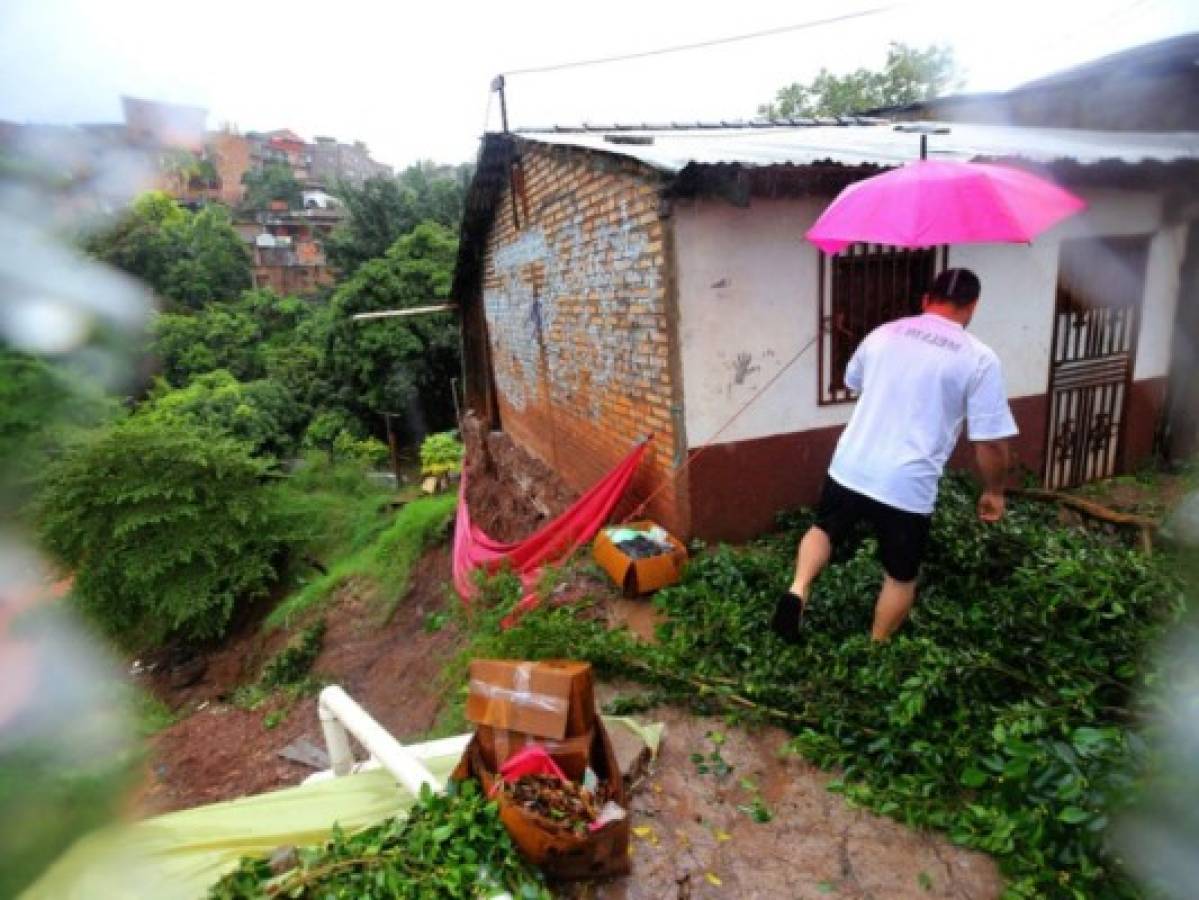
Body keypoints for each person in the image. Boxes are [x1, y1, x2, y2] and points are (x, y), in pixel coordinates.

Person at [772, 268, 1017, 644]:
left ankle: (798, 589)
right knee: (900, 576)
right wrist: (994, 491)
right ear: (972, 307)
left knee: (823, 529)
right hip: (906, 484)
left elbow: (854, 382)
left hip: (851, 464)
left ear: (925, 300)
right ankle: (875, 648)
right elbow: (990, 442)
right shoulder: (980, 359)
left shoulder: (883, 334)